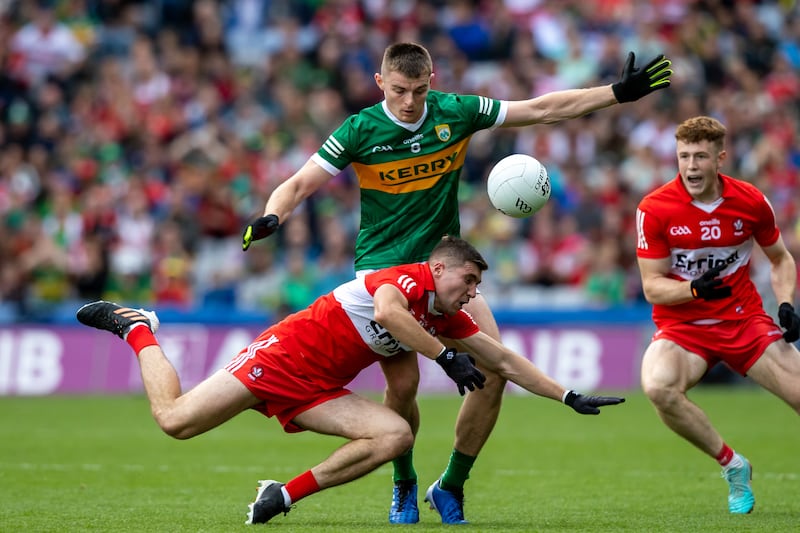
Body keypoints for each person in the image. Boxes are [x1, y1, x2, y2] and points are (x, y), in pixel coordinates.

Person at [242, 42, 670, 524]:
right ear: (381, 83)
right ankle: (404, 482)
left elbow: (542, 109)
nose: (409, 101)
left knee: (493, 372)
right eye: (400, 91)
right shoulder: (360, 129)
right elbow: (298, 183)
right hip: (383, 273)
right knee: (403, 386)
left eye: (419, 90)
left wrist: (616, 93)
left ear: (432, 80)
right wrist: (272, 215)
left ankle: (451, 485)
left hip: (446, 271)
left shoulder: (457, 112)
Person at [76, 235, 624, 525]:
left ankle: (283, 495)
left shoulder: (446, 313)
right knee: (175, 421)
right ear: (438, 269)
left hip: (320, 390)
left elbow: (502, 360)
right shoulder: (404, 282)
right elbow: (387, 314)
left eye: (478, 283)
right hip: (281, 360)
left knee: (395, 435)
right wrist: (441, 355)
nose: (474, 291)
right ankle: (140, 329)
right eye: (469, 279)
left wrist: (567, 394)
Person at [635, 116, 800, 514]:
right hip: (683, 326)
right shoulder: (655, 208)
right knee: (658, 387)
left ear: (720, 158)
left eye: (700, 157)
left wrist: (787, 302)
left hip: (743, 319)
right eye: (684, 156)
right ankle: (733, 465)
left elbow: (780, 259)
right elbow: (652, 285)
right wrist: (692, 290)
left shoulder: (751, 202)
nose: (691, 166)